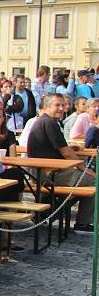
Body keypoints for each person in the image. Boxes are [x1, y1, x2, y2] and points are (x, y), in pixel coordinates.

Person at [28, 94, 96, 233]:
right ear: (46, 106)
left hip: (45, 170)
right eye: (57, 105)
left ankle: (48, 211)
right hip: (49, 173)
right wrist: (84, 168)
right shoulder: (49, 123)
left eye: (63, 105)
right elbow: (65, 152)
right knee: (94, 181)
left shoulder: (46, 121)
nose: (61, 108)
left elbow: (59, 149)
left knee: (80, 186)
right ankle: (82, 224)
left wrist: (71, 150)